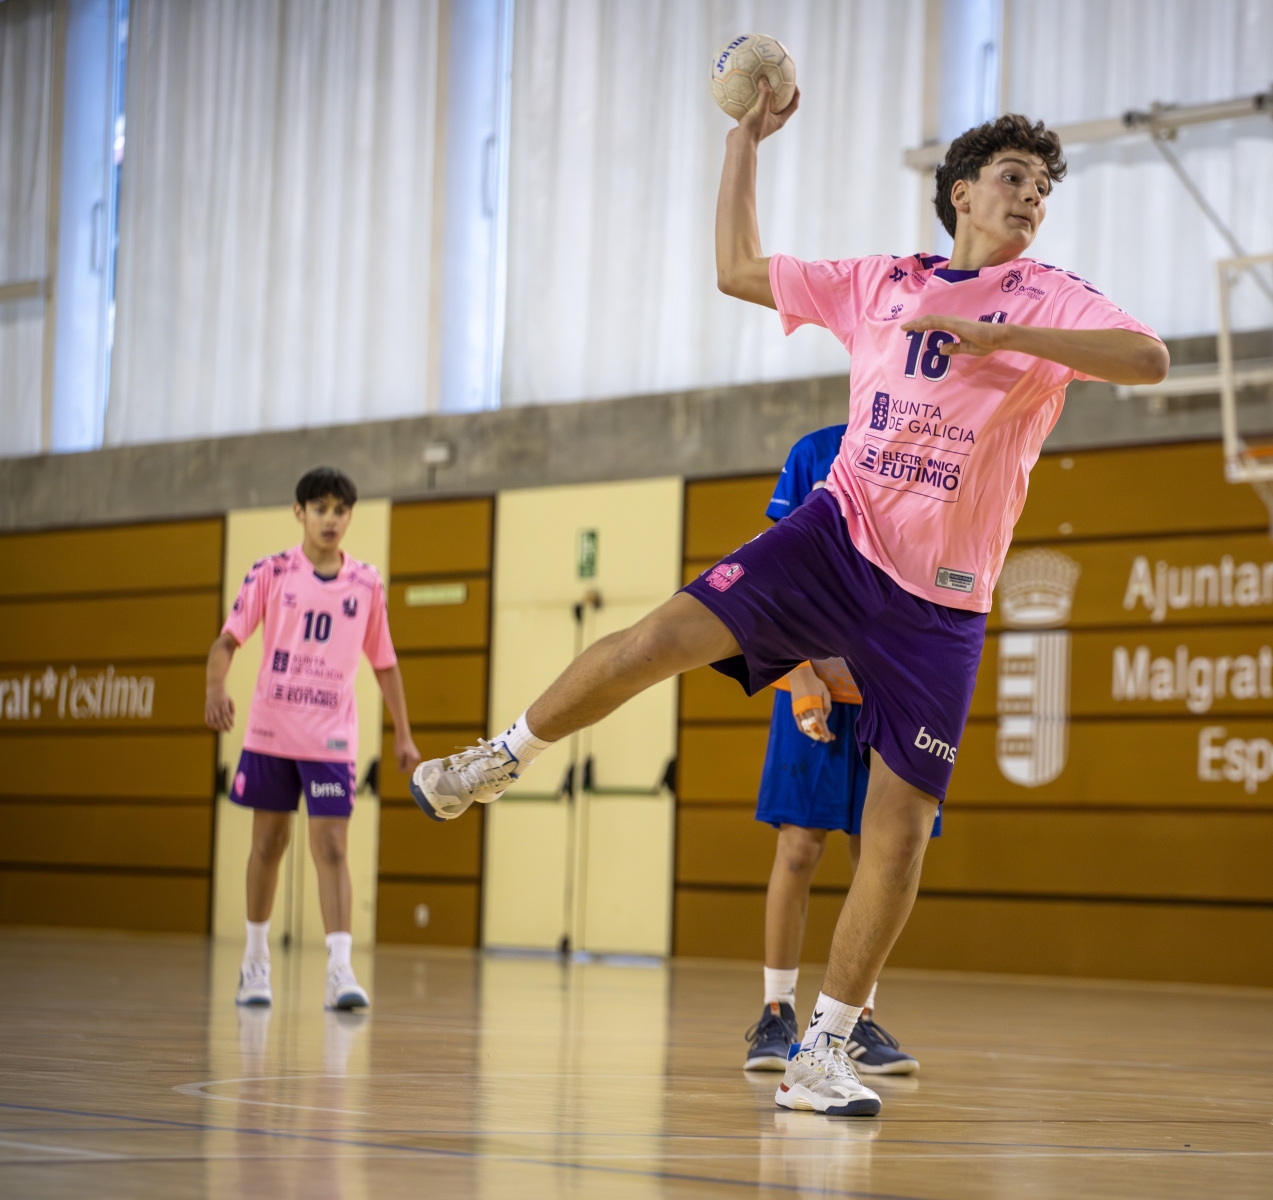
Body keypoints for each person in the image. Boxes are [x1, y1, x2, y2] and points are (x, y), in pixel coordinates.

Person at [408, 83, 1168, 1116]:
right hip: (836, 536)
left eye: (1043, 187)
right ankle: (500, 758)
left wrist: (1010, 342)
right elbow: (736, 270)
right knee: (655, 639)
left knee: (899, 831)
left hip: (942, 602)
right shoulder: (882, 281)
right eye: (1013, 179)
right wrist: (743, 144)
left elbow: (1148, 358)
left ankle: (823, 1051)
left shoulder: (1048, 296)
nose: (1032, 198)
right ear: (961, 193)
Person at [743, 423, 937, 1077]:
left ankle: (852, 1021)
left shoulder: (935, 452)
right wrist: (798, 672)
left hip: (890, 686)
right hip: (816, 685)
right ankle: (776, 1012)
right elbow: (774, 574)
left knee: (877, 852)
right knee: (799, 848)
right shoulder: (814, 452)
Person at [205, 467, 422, 1011]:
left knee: (332, 848)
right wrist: (215, 686)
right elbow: (227, 641)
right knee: (268, 844)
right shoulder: (271, 572)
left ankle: (340, 970)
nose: (331, 519)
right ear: (299, 512)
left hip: (330, 741)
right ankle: (255, 964)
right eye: (320, 508)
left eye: (340, 510)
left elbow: (385, 662)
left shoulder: (366, 584)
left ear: (350, 516)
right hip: (271, 733)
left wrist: (403, 734)